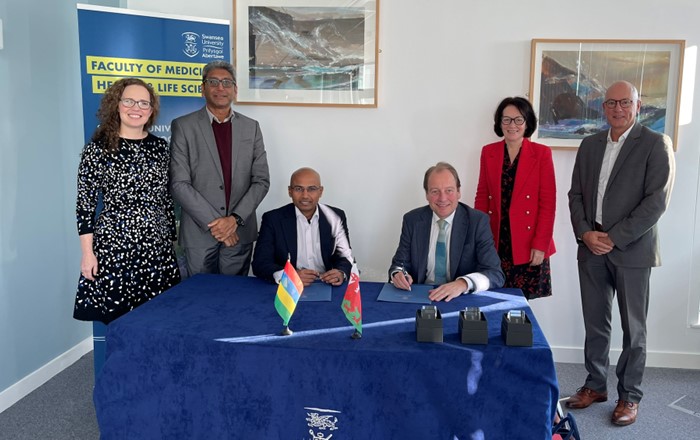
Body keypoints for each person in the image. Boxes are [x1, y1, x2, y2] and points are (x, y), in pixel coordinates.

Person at [566, 81, 675, 426]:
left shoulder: (656, 144)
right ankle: (595, 385)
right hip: (591, 246)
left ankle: (629, 396)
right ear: (603, 107)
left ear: (637, 105)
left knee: (634, 329)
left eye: (625, 102)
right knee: (595, 323)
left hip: (632, 249)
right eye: (611, 102)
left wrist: (612, 237)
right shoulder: (589, 145)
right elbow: (576, 196)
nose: (618, 108)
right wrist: (586, 233)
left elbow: (656, 203)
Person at [74, 78, 180, 325]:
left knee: (157, 319)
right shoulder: (97, 149)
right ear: (117, 105)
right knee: (119, 321)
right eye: (129, 101)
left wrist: (169, 243)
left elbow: (165, 198)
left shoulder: (160, 147)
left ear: (151, 110)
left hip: (156, 247)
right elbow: (85, 205)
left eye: (144, 103)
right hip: (115, 248)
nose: (137, 108)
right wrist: (87, 254)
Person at [170, 60, 270, 276]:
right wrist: (217, 225)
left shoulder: (251, 127)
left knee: (234, 299)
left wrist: (233, 220)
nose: (220, 87)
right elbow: (179, 183)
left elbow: (261, 180)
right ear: (202, 88)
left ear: (235, 90)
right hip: (199, 233)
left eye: (227, 82)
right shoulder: (183, 126)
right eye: (213, 81)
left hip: (239, 231)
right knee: (199, 299)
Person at [474, 97, 556, 300]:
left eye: (518, 120)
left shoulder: (542, 154)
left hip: (528, 244)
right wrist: (478, 238)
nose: (512, 125)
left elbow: (548, 204)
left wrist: (540, 245)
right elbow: (482, 197)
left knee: (519, 306)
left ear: (527, 122)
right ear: (499, 123)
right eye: (506, 120)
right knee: (491, 298)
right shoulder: (488, 152)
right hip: (495, 240)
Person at [389, 162, 505, 301]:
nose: (442, 198)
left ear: (458, 192)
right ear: (426, 194)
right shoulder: (412, 220)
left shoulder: (477, 222)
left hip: (460, 298)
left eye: (449, 190)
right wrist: (398, 274)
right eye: (435, 191)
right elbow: (399, 264)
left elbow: (495, 274)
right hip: (422, 297)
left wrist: (462, 284)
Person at [252, 168, 352, 286]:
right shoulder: (273, 219)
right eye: (298, 189)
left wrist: (341, 272)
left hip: (326, 284)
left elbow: (344, 256)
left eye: (312, 189)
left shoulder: (335, 217)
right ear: (290, 191)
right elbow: (260, 263)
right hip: (288, 288)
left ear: (321, 191)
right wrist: (288, 276)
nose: (305, 195)